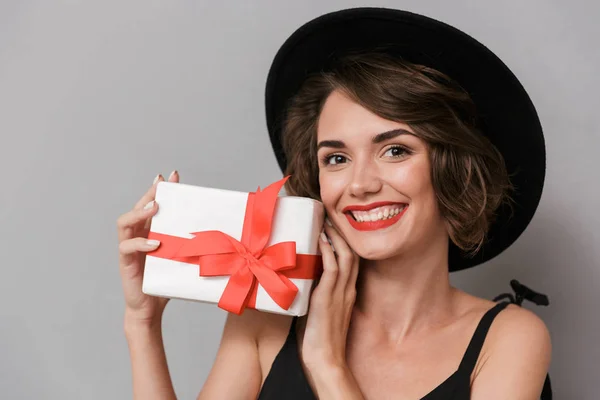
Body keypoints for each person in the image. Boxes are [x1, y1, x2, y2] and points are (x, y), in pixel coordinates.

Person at [117, 8, 551, 400]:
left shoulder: (509, 339)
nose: (359, 184)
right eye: (337, 158)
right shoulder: (268, 316)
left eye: (395, 150)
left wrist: (327, 364)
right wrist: (142, 326)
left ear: (453, 168)